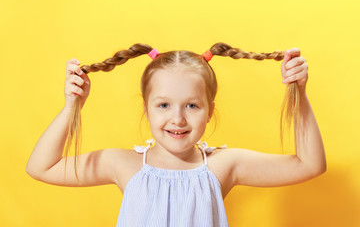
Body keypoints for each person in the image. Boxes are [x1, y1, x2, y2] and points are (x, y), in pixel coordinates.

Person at [26, 43, 326, 227]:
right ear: (147, 109)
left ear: (210, 111)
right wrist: (71, 107)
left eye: (192, 105)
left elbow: (309, 164)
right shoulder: (124, 165)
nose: (178, 119)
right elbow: (41, 167)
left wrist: (299, 92)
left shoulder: (222, 166)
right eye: (164, 105)